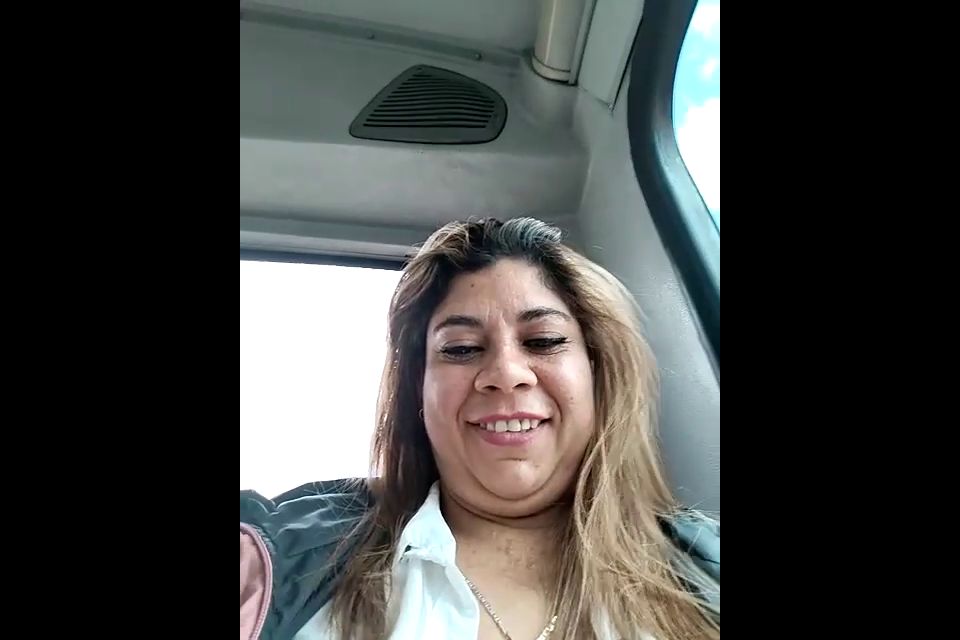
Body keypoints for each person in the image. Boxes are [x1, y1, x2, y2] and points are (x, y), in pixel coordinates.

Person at [240, 217, 720, 640]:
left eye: (544, 340)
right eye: (461, 348)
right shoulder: (274, 563)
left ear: (599, 371)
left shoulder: (706, 570)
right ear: (418, 390)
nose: (506, 373)